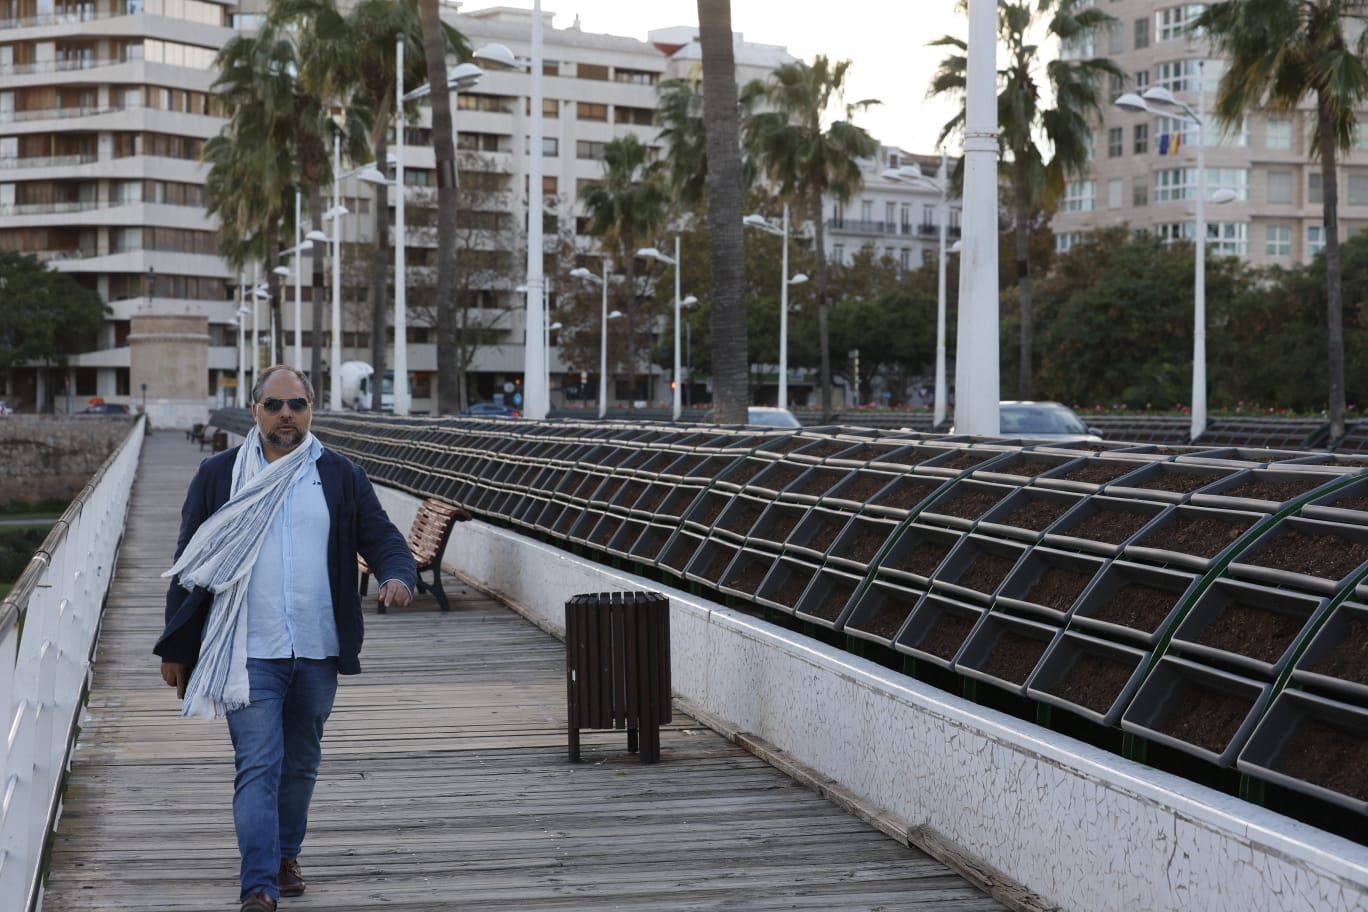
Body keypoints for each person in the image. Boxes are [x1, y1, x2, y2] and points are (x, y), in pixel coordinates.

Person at [155, 365, 417, 912]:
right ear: (255, 410)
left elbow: (383, 536)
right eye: (274, 405)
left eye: (296, 405)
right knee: (257, 763)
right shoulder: (219, 474)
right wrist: (178, 648)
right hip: (247, 651)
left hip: (318, 647)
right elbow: (189, 563)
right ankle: (259, 886)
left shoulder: (340, 474)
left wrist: (397, 574)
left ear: (311, 409)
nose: (285, 416)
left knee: (300, 764)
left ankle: (284, 855)